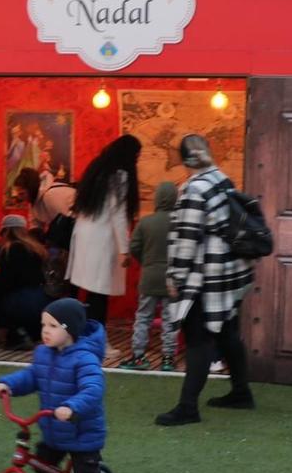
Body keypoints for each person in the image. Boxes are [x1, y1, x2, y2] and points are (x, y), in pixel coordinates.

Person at [0, 297, 122, 473]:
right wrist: (9, 384)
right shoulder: (43, 353)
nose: (45, 331)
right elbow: (33, 376)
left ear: (70, 330)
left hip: (82, 430)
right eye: (43, 325)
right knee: (43, 460)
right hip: (54, 427)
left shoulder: (85, 358)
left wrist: (72, 407)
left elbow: (93, 388)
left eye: (53, 326)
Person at [155, 134, 256, 427]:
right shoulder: (222, 180)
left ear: (184, 159)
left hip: (205, 275)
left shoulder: (193, 190)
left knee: (197, 338)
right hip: (229, 271)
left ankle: (188, 408)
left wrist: (175, 276)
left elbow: (187, 238)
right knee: (227, 331)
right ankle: (241, 392)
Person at [68, 135, 140, 326]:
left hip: (84, 235)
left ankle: (82, 334)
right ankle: (97, 339)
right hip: (102, 240)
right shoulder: (120, 176)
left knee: (90, 290)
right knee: (99, 292)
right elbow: (118, 214)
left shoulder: (98, 168)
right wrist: (124, 249)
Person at [123, 180, 179, 370]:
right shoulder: (180, 222)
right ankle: (168, 359)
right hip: (173, 279)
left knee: (143, 318)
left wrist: (146, 262)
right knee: (170, 319)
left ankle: (138, 357)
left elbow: (134, 247)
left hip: (149, 277)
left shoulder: (145, 223)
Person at [0, 215, 49, 347]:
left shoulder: (8, 250)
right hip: (41, 299)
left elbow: (6, 281)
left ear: (5, 231)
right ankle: (23, 333)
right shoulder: (36, 249)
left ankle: (10, 333)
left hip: (19, 302)